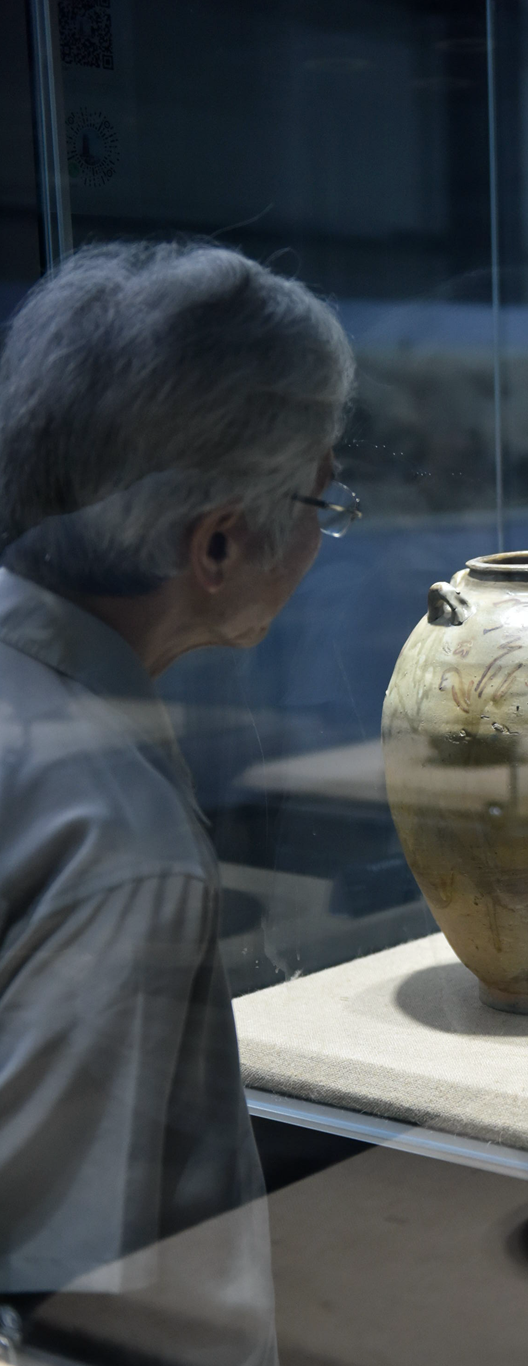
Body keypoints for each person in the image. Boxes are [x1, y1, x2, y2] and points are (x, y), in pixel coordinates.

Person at [0, 241, 357, 1362]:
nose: (323, 528)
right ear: (218, 543)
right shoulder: (115, 837)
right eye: (321, 497)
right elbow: (68, 1305)